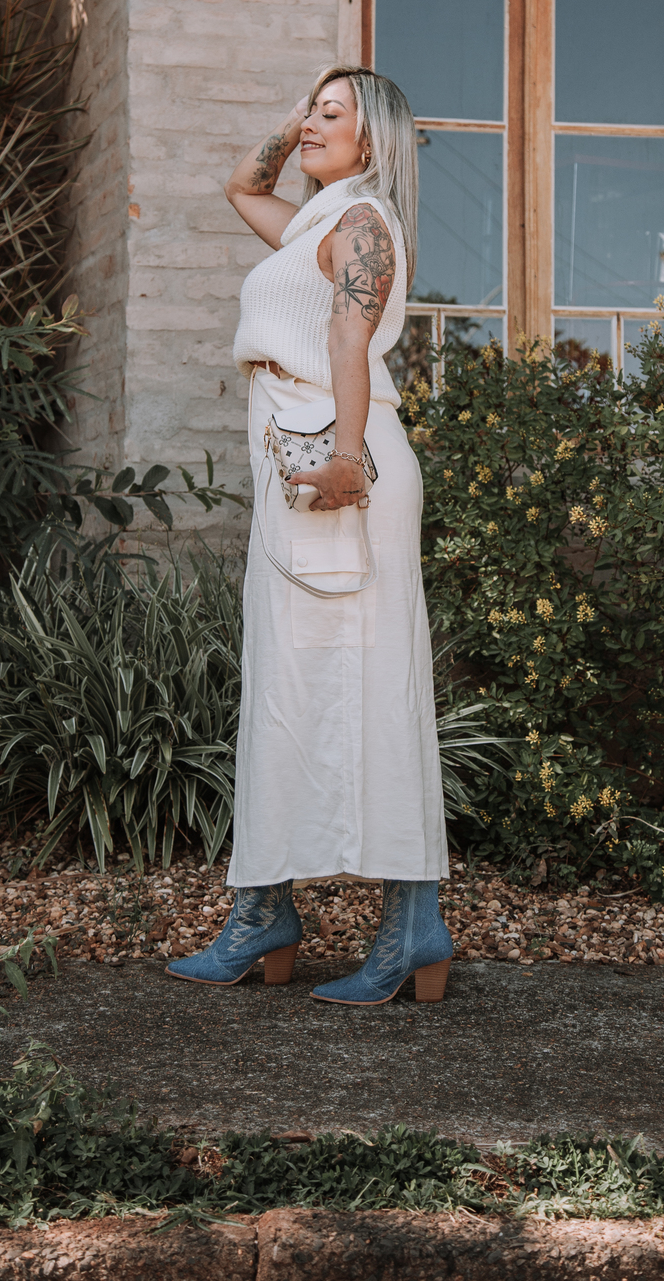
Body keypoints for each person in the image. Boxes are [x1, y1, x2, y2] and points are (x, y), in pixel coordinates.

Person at [164, 65, 452, 1006]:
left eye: (337, 115)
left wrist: (347, 460)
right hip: (304, 473)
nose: (314, 124)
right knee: (287, 692)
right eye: (313, 110)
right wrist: (301, 121)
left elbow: (346, 345)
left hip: (342, 473)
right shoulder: (314, 220)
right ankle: (265, 916)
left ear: (374, 143)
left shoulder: (362, 224)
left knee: (373, 688)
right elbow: (242, 186)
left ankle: (412, 929)